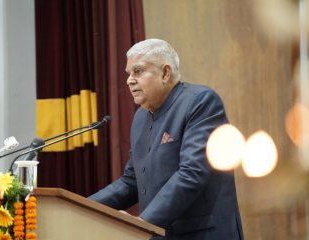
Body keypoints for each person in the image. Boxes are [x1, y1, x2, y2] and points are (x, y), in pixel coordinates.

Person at [89, 39, 243, 240]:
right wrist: (83, 207)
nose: (129, 80)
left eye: (138, 71)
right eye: (128, 73)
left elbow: (192, 173)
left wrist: (144, 223)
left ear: (165, 73)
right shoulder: (141, 117)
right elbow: (131, 181)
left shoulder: (201, 102)